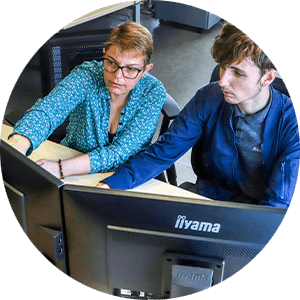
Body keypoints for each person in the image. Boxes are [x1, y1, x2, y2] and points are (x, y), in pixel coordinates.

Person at [98, 23, 300, 209]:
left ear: (268, 78)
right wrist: (108, 185)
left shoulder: (292, 125)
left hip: (253, 213)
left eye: (238, 73)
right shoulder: (209, 97)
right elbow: (163, 153)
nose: (222, 81)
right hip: (207, 199)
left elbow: (277, 205)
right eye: (222, 67)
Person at [7, 22, 166, 178]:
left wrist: (61, 168)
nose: (117, 76)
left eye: (131, 69)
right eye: (111, 62)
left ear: (146, 69)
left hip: (123, 177)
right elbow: (49, 110)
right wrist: (19, 143)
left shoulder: (152, 92)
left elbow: (120, 153)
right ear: (104, 54)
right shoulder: (86, 75)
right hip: (74, 165)